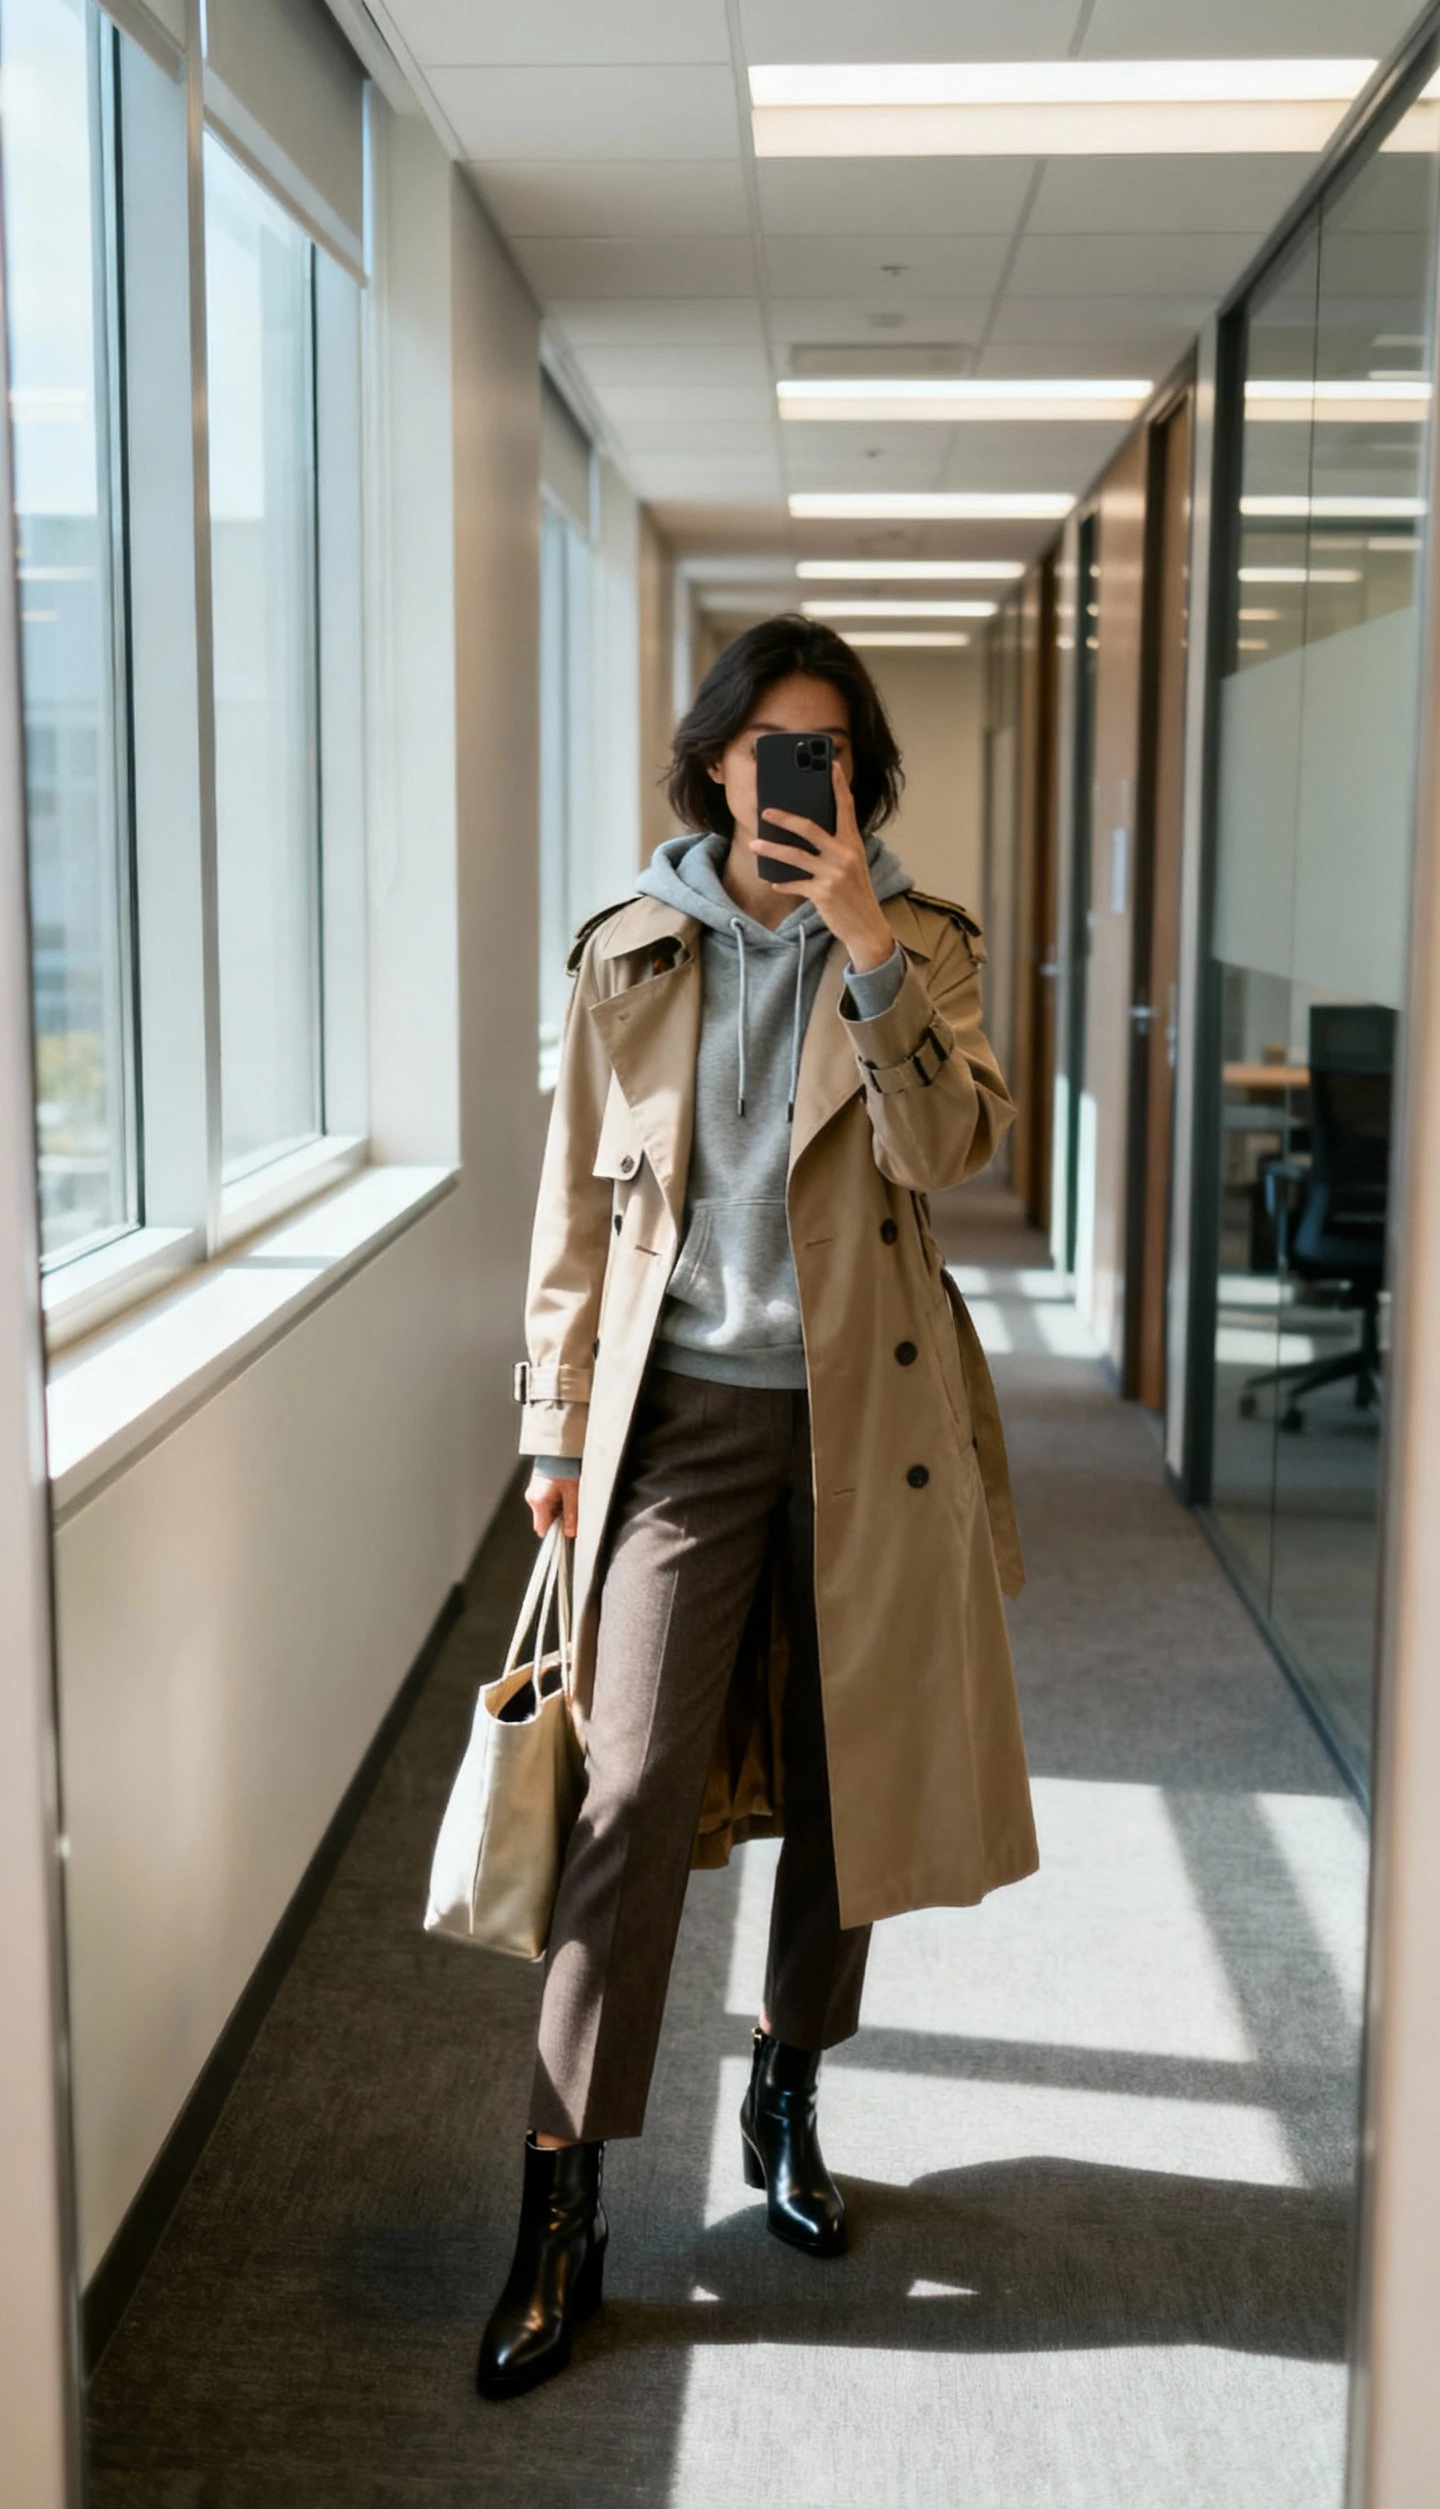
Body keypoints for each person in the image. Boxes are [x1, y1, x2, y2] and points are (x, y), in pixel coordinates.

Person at [477, 615, 1037, 2401]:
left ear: (857, 776)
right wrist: (557, 1442)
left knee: (849, 1769)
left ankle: (790, 2088)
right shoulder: (629, 953)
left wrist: (866, 946)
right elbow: (574, 1213)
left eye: (830, 752)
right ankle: (558, 2202)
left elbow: (956, 1156)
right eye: (767, 747)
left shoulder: (922, 943)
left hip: (874, 1424)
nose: (798, 777)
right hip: (686, 1426)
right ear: (714, 761)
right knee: (624, 1787)